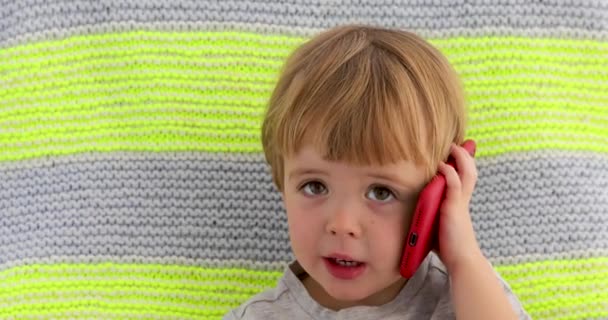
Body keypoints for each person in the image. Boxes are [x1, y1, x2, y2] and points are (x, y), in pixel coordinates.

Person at [223, 24, 530, 319]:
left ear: (437, 198)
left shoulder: (468, 295)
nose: (342, 225)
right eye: (314, 186)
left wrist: (463, 258)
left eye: (381, 192)